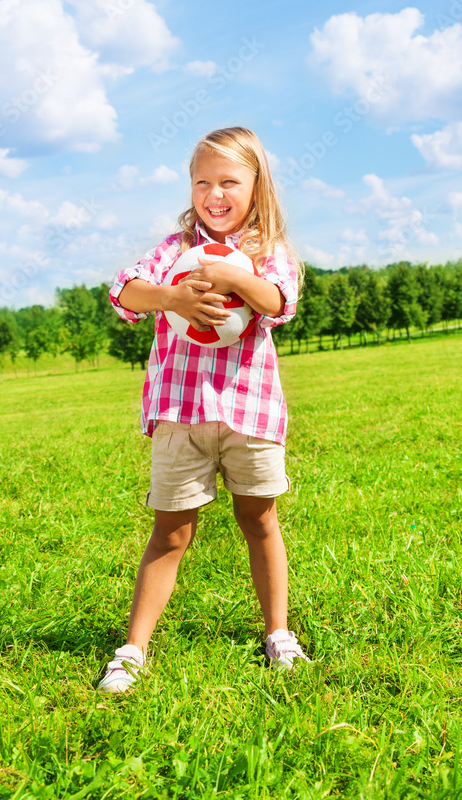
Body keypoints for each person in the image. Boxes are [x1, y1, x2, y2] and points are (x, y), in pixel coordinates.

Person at [98, 126, 311, 692]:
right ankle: (132, 649)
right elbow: (124, 292)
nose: (214, 194)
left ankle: (279, 634)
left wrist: (237, 275)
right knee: (170, 532)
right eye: (202, 182)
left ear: (256, 185)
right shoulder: (174, 250)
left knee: (260, 520)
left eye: (229, 182)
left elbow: (278, 303)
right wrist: (170, 295)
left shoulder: (269, 253)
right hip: (181, 414)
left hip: (251, 413)